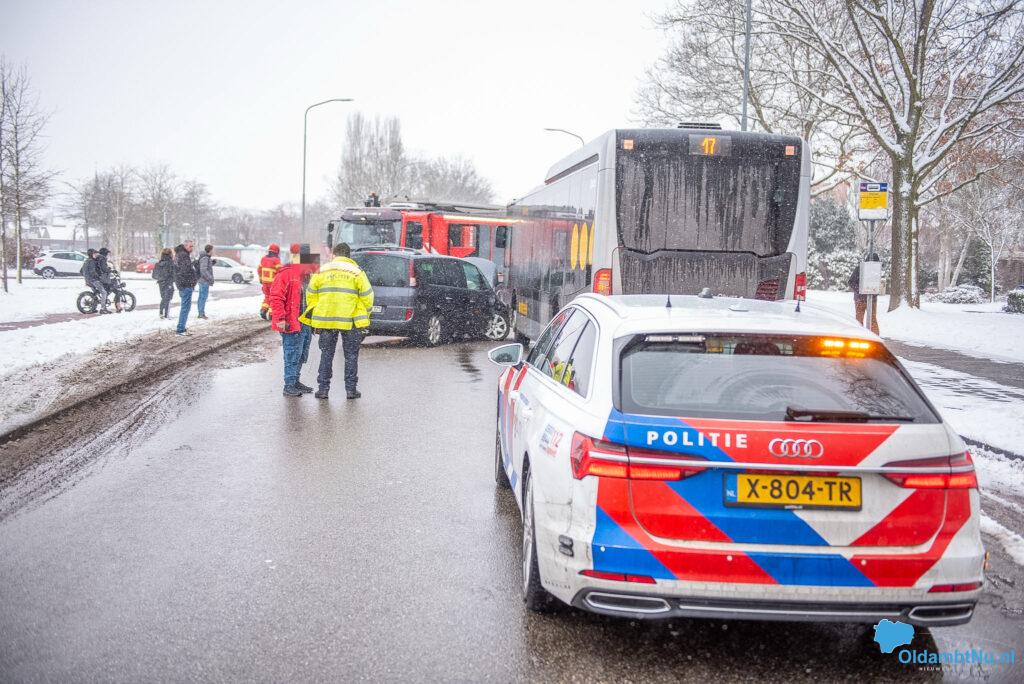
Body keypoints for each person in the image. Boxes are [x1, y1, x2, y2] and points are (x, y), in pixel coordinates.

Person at [300, 242, 374, 399]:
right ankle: (351, 390)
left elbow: (311, 293)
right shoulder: (357, 272)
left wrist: (317, 310)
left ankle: (323, 389)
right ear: (348, 255)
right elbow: (368, 297)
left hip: (326, 319)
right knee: (351, 355)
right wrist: (364, 314)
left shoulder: (322, 270)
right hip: (350, 320)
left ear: (334, 254)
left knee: (326, 354)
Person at [268, 245, 314, 397]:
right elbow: (276, 297)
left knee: (301, 354)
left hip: (305, 322)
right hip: (291, 322)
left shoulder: (306, 275)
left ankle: (295, 381)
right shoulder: (286, 273)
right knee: (292, 354)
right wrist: (281, 319)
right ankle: (289, 385)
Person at [849, 254, 880, 335]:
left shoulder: (876, 270)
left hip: (872, 299)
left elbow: (876, 284)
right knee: (859, 319)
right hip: (860, 299)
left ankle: (875, 338)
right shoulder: (859, 269)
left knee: (872, 319)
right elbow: (851, 282)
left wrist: (874, 292)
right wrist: (861, 290)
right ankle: (859, 336)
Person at [174, 240, 197, 335]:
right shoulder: (183, 255)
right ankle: (180, 328)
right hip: (185, 285)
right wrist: (191, 281)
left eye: (192, 246)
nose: (192, 248)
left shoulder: (180, 254)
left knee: (185, 307)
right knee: (185, 307)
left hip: (183, 284)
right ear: (185, 246)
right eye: (190, 246)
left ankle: (181, 327)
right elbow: (185, 271)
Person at [81, 248, 109, 314]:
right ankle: (103, 309)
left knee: (96, 294)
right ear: (91, 254)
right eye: (94, 254)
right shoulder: (91, 261)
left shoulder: (86, 260)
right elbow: (92, 272)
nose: (96, 255)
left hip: (88, 280)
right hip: (93, 280)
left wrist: (86, 277)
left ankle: (93, 308)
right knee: (104, 292)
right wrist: (98, 277)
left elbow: (81, 271)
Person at [258, 244, 282, 320]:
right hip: (273, 284)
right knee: (274, 298)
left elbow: (259, 269)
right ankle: (272, 315)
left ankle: (263, 310)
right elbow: (280, 272)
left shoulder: (263, 259)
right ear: (277, 252)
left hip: (265, 283)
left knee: (267, 297)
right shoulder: (276, 260)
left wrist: (261, 279)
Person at [152, 248, 175, 318]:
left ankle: (161, 312)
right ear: (170, 254)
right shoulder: (170, 263)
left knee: (163, 298)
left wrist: (161, 278)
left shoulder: (158, 264)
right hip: (168, 282)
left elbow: (154, 275)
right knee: (168, 298)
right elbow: (173, 274)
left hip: (160, 283)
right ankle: (166, 315)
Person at [196, 244, 215, 320]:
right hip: (204, 281)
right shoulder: (205, 258)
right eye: (213, 249)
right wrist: (210, 278)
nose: (213, 251)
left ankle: (201, 312)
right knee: (203, 297)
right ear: (210, 250)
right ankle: (201, 313)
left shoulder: (205, 257)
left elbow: (205, 267)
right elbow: (203, 270)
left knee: (201, 297)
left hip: (202, 280)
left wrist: (212, 263)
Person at [96, 247, 115, 313]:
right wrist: (109, 269)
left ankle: (103, 301)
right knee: (106, 290)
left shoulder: (99, 258)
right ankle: (103, 308)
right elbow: (103, 268)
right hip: (102, 277)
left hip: (99, 276)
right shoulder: (102, 258)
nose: (107, 254)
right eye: (107, 253)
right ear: (105, 253)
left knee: (106, 289)